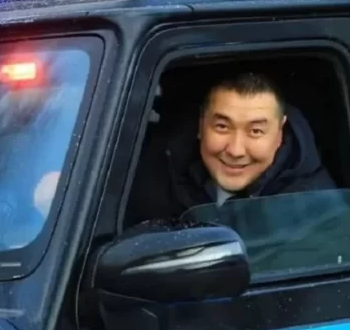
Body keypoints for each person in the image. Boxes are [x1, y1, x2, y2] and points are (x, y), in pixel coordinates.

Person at [124, 72, 337, 226]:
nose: (235, 150)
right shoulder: (152, 174)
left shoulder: (318, 212)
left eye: (255, 131)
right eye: (222, 127)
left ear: (280, 132)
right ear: (201, 125)